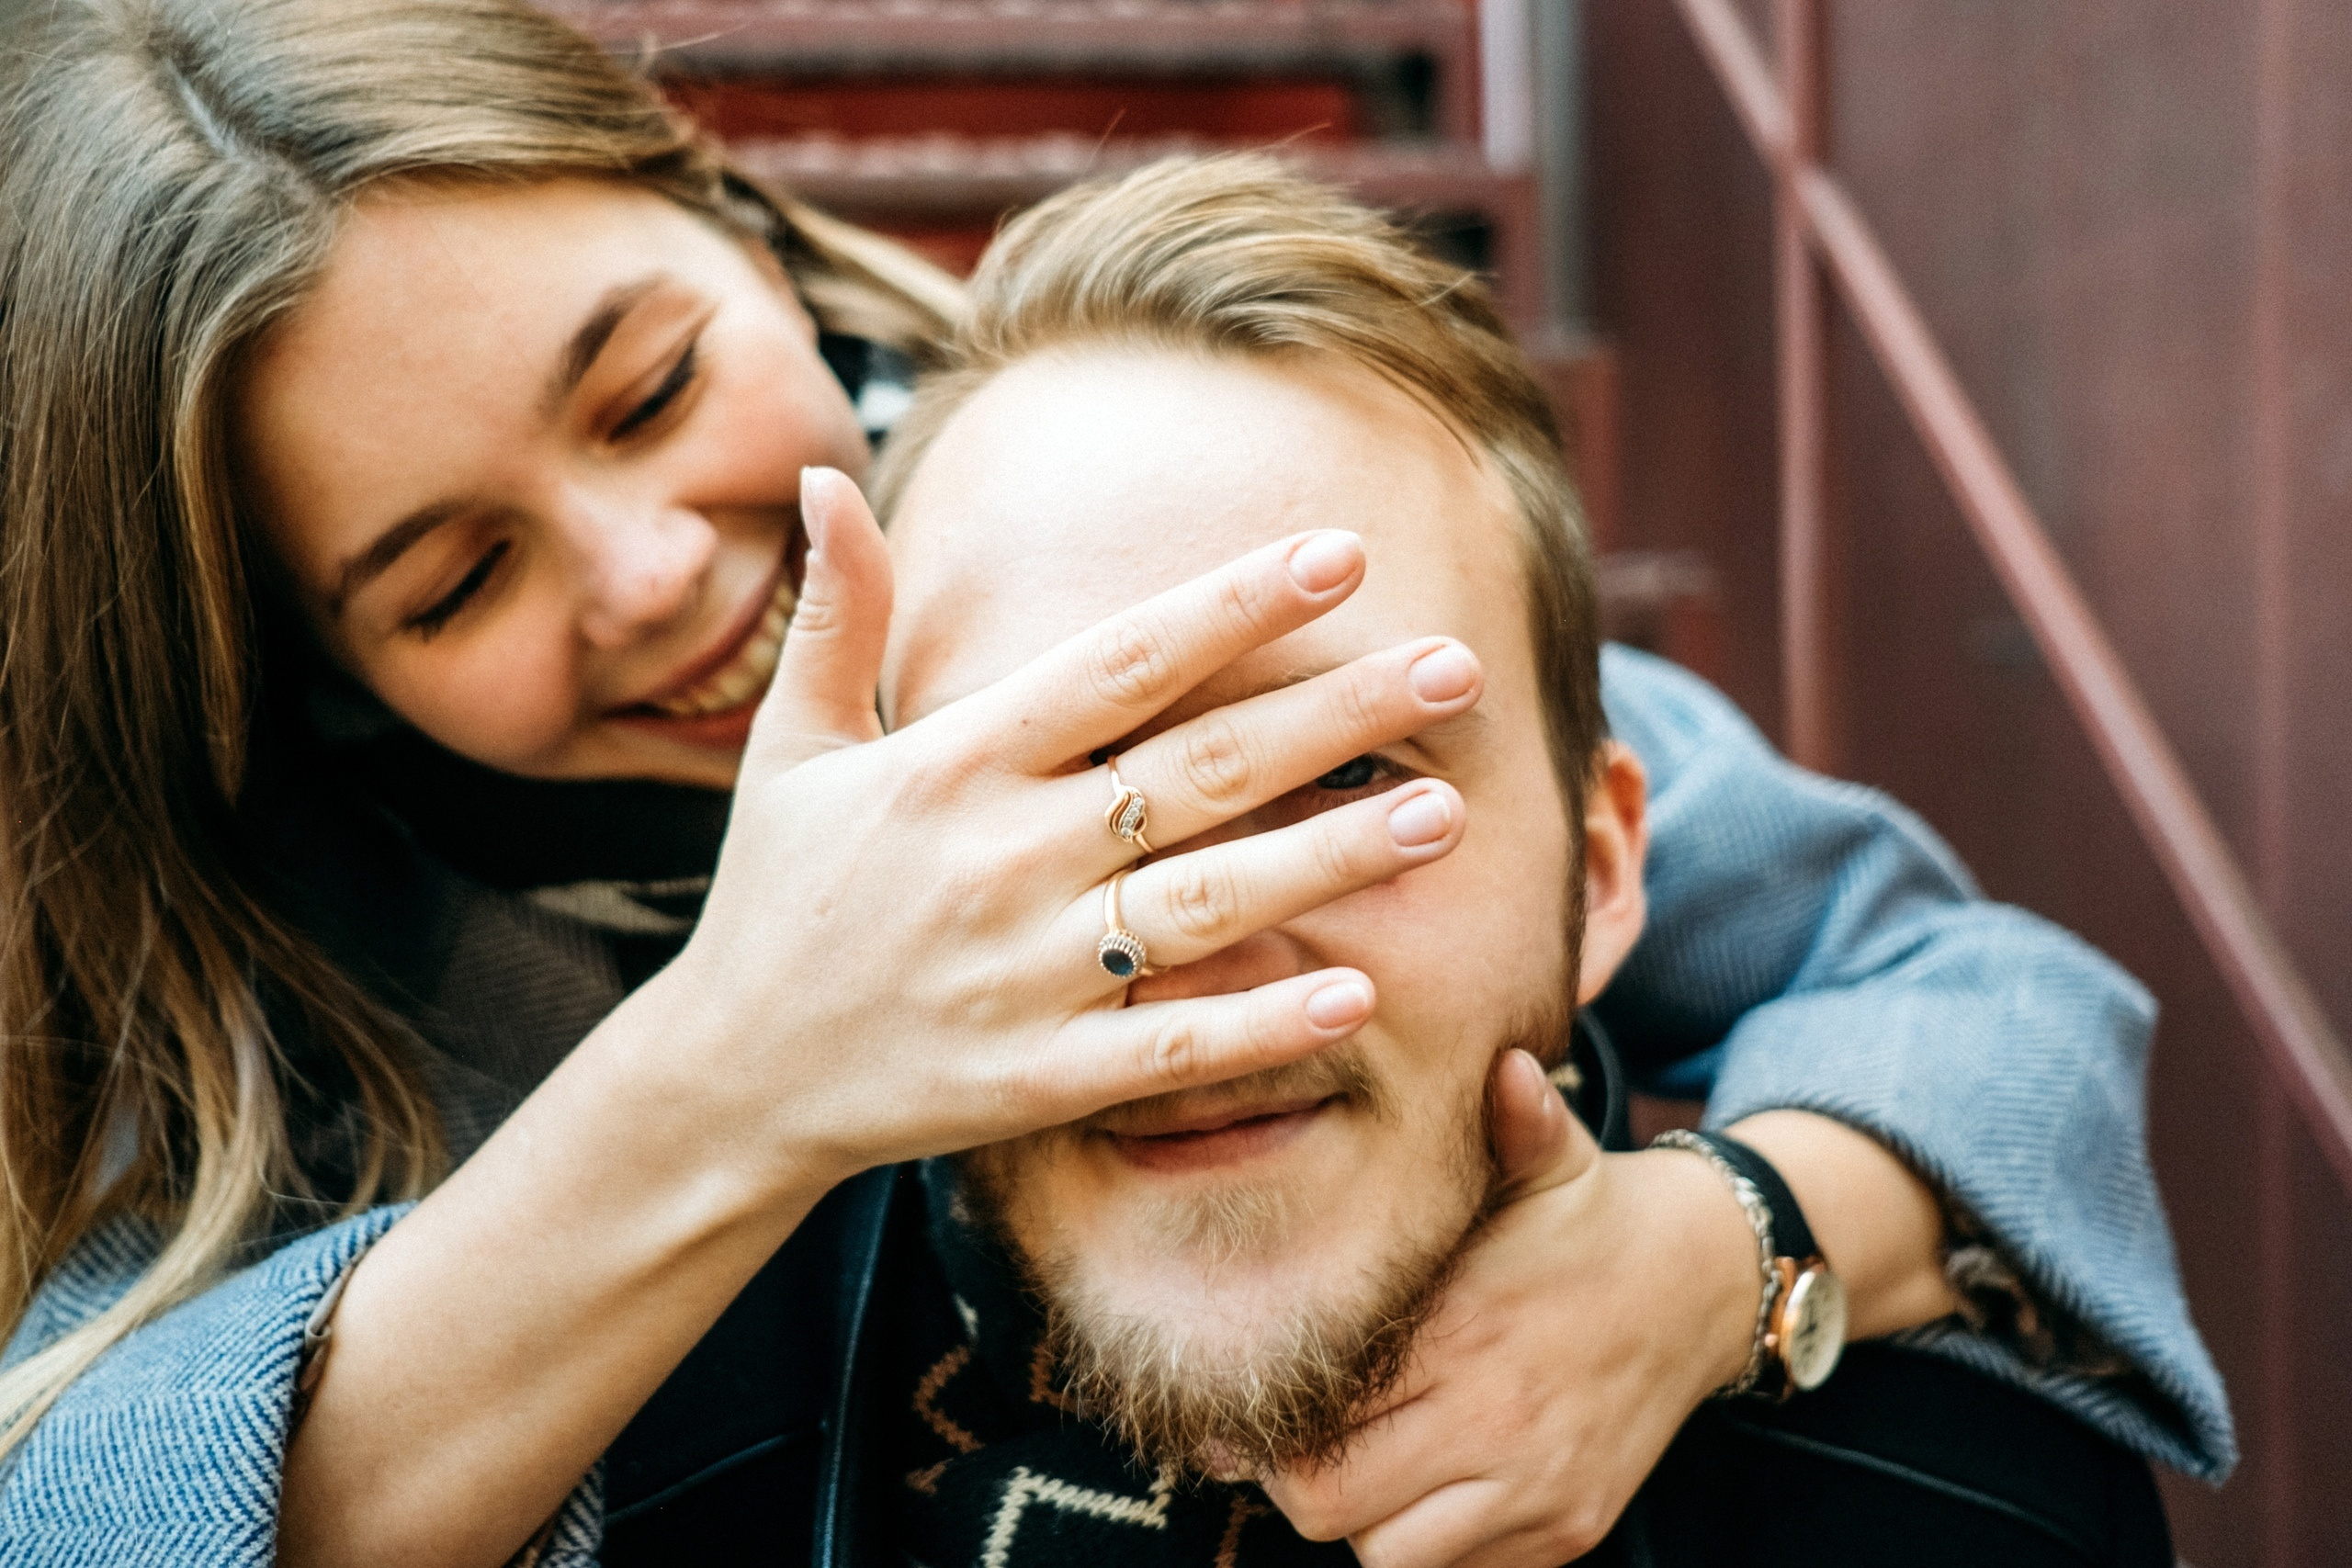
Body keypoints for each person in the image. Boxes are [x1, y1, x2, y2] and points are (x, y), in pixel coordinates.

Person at [0, 2, 2225, 1564]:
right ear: (321, 680)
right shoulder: (276, 954)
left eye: (649, 378)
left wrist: (1721, 1246)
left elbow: (1954, 982)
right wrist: (733, 1066)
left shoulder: (1122, 489)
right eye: (451, 574)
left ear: (734, 219)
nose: (660, 570)